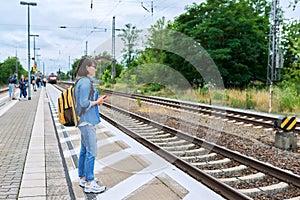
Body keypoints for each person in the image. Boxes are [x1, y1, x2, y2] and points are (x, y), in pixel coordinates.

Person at [74, 57, 107, 194]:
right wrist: (97, 102)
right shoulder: (86, 82)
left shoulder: (80, 81)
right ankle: (89, 182)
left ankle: (83, 178)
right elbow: (83, 103)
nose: (95, 69)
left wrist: (95, 101)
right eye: (93, 67)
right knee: (92, 151)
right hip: (87, 121)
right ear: (87, 68)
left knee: (84, 150)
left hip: (83, 120)